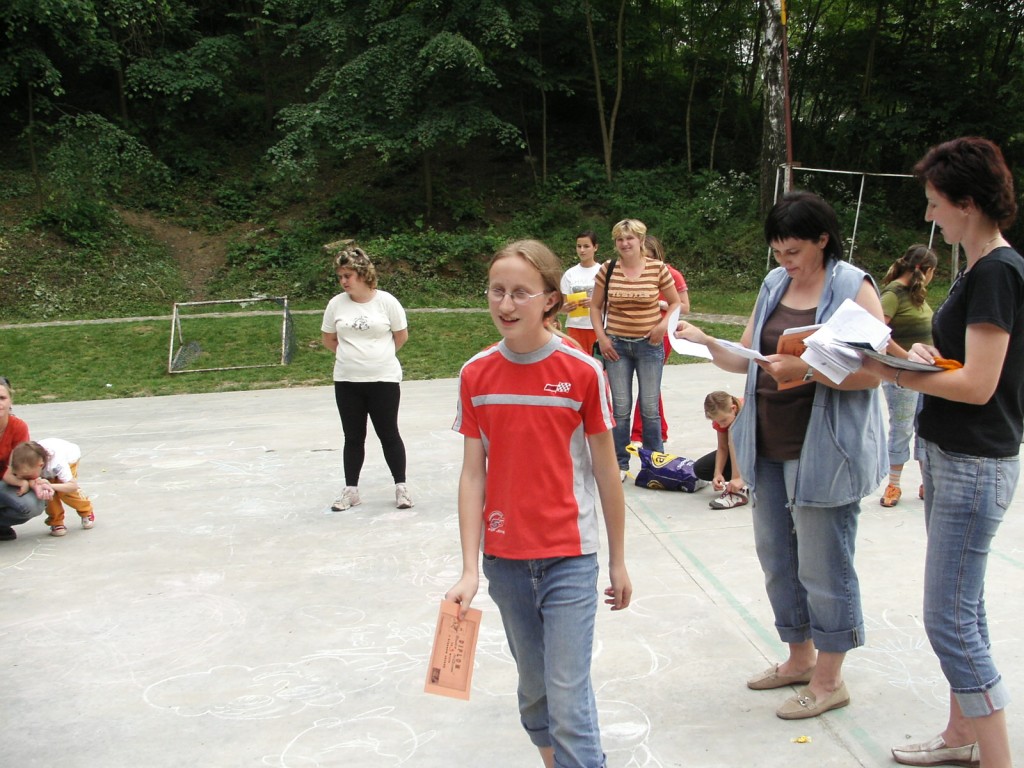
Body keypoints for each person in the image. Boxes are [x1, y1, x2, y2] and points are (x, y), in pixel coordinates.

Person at [676, 190, 886, 720]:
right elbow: (747, 358)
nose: (784, 261)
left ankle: (830, 679)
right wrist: (705, 341)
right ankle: (799, 658)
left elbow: (878, 371)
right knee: (777, 558)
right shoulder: (774, 284)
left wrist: (808, 370)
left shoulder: (853, 287)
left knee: (824, 564)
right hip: (767, 442)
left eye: (793, 251)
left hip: (825, 449)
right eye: (776, 251)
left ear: (822, 239)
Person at [861, 137, 1021, 768]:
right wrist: (928, 358)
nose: (929, 216)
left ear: (967, 202)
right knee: (965, 609)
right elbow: (970, 367)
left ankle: (997, 756)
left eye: (935, 203)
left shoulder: (997, 273)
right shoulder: (979, 270)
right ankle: (962, 734)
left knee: (950, 621)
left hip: (974, 464)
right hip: (956, 459)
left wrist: (894, 372)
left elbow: (980, 387)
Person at [446, 239, 632, 768]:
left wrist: (618, 561)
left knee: (568, 695)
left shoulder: (582, 371)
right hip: (505, 561)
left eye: (520, 293)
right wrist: (468, 569)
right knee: (535, 689)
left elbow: (606, 473)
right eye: (497, 291)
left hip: (569, 556)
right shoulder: (476, 373)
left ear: (551, 299)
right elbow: (473, 474)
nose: (505, 304)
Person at [321, 244, 413, 511]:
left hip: (383, 380)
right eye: (340, 276)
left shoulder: (387, 302)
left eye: (347, 275)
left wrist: (378, 357)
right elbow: (328, 339)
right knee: (353, 436)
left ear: (362, 274)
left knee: (388, 433)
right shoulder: (336, 304)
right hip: (347, 381)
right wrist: (352, 358)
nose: (343, 281)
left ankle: (401, 487)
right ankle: (351, 491)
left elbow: (401, 336)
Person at [589, 219, 682, 480]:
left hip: (649, 345)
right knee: (620, 407)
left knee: (650, 407)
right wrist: (602, 337)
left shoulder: (657, 268)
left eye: (630, 238)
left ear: (641, 240)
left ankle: (654, 463)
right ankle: (619, 463)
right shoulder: (608, 269)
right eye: (620, 239)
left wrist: (662, 326)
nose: (625, 243)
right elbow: (595, 306)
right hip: (616, 346)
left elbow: (676, 303)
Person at [878, 244, 938, 508]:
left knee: (926, 426)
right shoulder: (893, 294)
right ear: (924, 269)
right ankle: (894, 484)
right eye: (933, 272)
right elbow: (878, 333)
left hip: (925, 374)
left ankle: (927, 482)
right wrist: (906, 357)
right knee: (902, 427)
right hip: (902, 374)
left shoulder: (916, 293)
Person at [629, 234, 690, 444]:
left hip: (662, 334)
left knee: (649, 384)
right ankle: (659, 430)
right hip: (637, 332)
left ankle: (640, 432)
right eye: (642, 256)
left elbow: (685, 306)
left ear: (658, 255)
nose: (646, 260)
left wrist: (663, 305)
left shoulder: (671, 274)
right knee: (650, 384)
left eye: (650, 256)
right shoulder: (636, 273)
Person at [0, 376, 48, 541]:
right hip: (7, 481)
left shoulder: (18, 427)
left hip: (7, 481)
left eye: (2, 398)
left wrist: (34, 483)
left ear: (10, 401)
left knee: (34, 504)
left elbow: (24, 465)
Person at [17, 438, 95, 536]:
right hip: (45, 464)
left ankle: (86, 510)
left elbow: (72, 486)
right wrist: (28, 483)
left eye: (28, 475)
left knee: (65, 492)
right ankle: (56, 521)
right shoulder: (23, 461)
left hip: (69, 458)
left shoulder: (57, 464)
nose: (28, 478)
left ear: (40, 465)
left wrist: (50, 485)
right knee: (48, 494)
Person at [692, 391, 747, 509]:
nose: (721, 426)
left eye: (723, 421)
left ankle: (739, 489)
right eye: (717, 422)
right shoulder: (722, 417)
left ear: (733, 409)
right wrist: (717, 473)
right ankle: (739, 480)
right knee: (701, 468)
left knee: (733, 433)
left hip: (761, 451)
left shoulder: (747, 411)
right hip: (741, 453)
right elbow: (723, 447)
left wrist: (738, 478)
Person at [560, 231, 602, 353]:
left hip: (597, 326)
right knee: (577, 360)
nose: (582, 250)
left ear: (595, 247)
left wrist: (594, 303)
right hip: (575, 327)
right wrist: (565, 308)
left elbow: (612, 303)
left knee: (597, 361)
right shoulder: (569, 274)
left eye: (586, 246)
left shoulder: (602, 271)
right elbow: (562, 306)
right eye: (579, 246)